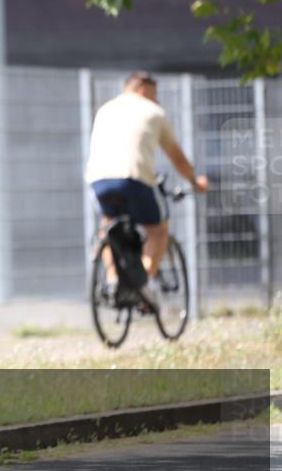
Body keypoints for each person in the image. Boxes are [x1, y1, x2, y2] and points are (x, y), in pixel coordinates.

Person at [85, 72, 209, 303]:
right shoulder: (153, 112)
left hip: (98, 181)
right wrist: (194, 181)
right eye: (155, 94)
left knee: (109, 229)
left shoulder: (105, 109)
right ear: (142, 89)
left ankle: (113, 281)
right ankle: (143, 287)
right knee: (158, 231)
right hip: (133, 178)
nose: (157, 99)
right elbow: (177, 158)